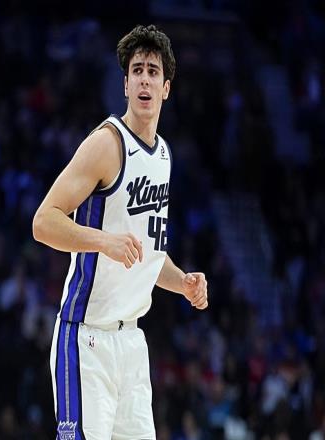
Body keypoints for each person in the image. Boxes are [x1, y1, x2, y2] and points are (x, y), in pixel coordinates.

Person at [32, 24, 208, 439]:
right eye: (137, 70)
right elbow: (43, 221)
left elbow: (148, 254)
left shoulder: (163, 156)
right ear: (125, 84)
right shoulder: (107, 144)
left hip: (131, 345)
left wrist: (182, 281)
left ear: (166, 88)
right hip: (86, 340)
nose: (144, 79)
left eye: (153, 72)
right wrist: (103, 241)